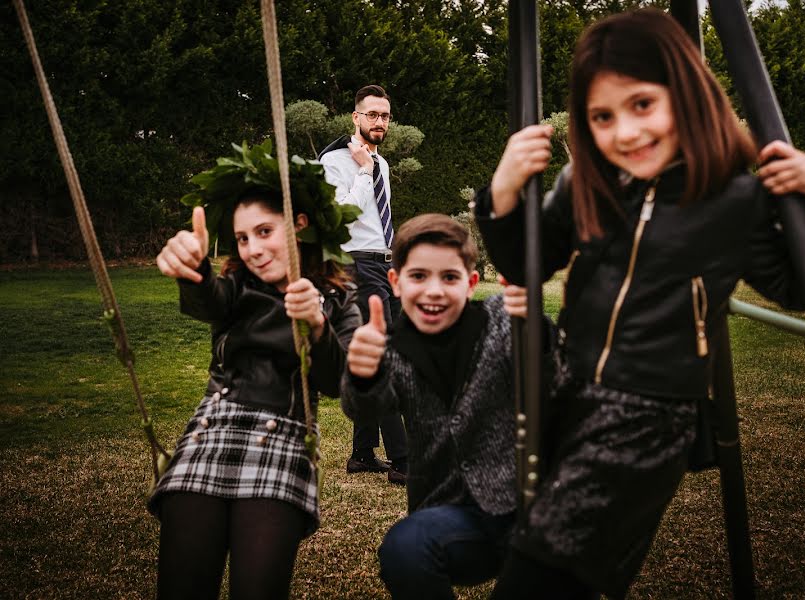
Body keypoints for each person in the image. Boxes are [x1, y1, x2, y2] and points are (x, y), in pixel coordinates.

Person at [475, 9, 805, 599]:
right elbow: (529, 261)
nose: (624, 133)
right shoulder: (587, 182)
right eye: (602, 117)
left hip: (648, 413)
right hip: (566, 389)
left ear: (685, 94)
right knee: (552, 563)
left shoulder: (734, 195)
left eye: (641, 105)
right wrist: (501, 191)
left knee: (539, 575)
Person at [150, 158, 361, 599]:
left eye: (264, 232)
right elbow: (207, 300)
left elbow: (338, 382)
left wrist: (316, 328)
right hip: (213, 430)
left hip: (284, 433)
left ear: (300, 225)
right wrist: (194, 270)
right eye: (243, 238)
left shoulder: (339, 299)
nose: (252, 249)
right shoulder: (235, 287)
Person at [341, 214, 554, 599]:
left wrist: (538, 328)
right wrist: (362, 373)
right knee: (404, 549)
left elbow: (558, 378)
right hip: (452, 516)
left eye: (450, 278)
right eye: (418, 276)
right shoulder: (391, 347)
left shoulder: (503, 322)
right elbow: (366, 408)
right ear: (395, 282)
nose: (434, 290)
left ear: (471, 283)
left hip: (530, 507)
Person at [319, 84, 409, 484]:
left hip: (384, 265)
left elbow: (381, 220)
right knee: (384, 355)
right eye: (372, 115)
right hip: (355, 265)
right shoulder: (334, 161)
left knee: (377, 353)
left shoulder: (382, 163)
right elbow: (343, 215)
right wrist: (362, 169)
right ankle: (404, 460)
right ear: (355, 117)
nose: (380, 122)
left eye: (385, 115)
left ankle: (361, 454)